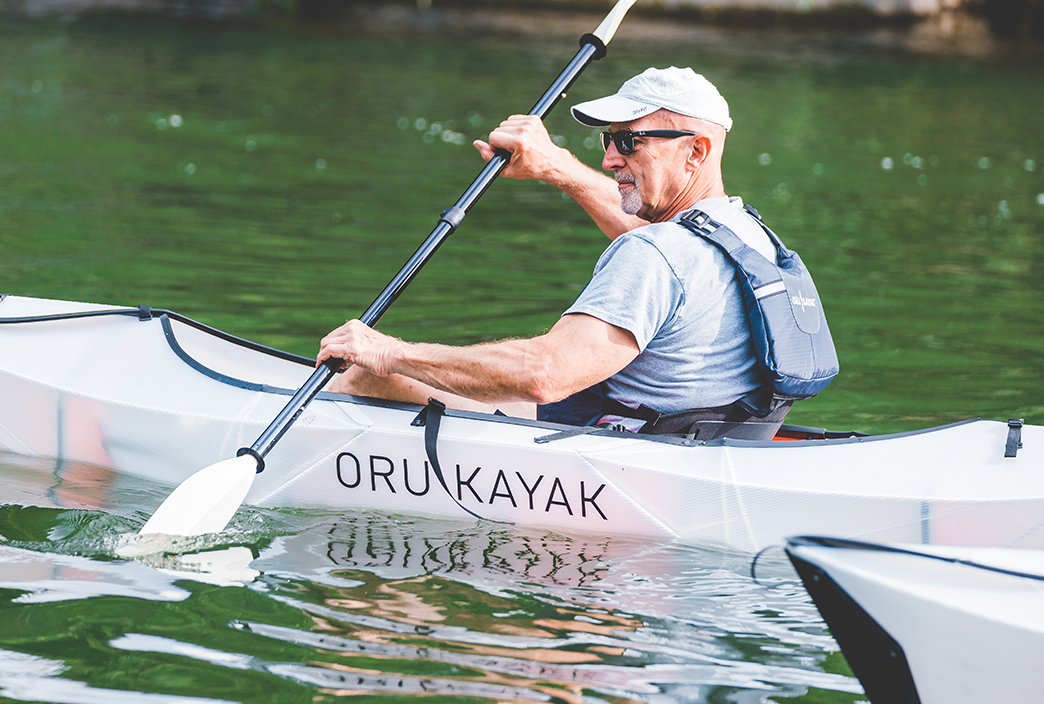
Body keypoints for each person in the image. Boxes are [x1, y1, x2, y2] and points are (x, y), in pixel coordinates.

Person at [319, 66, 797, 437]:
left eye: (629, 141)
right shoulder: (748, 233)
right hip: (695, 440)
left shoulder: (653, 256)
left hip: (612, 458)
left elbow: (544, 375)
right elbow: (658, 242)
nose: (610, 158)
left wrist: (387, 352)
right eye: (609, 140)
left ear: (695, 151)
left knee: (362, 378)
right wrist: (554, 167)